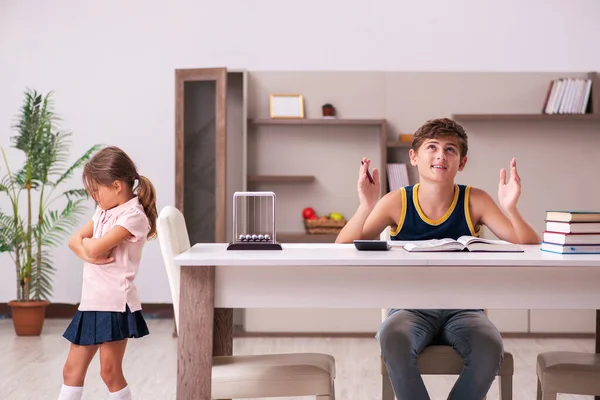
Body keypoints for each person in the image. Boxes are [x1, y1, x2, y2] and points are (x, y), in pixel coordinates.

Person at [335, 118, 540, 400]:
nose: (441, 155)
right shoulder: (397, 201)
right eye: (432, 147)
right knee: (391, 336)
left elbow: (529, 244)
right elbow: (342, 246)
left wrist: (510, 208)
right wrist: (365, 206)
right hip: (410, 309)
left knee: (490, 346)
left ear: (462, 162)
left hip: (465, 311)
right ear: (414, 157)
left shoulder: (475, 200)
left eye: (450, 150)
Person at [58, 146, 158, 400]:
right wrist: (88, 252)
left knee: (109, 372)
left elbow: (96, 245)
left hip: (114, 304)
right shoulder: (103, 211)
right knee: (71, 370)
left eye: (96, 190)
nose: (94, 196)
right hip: (91, 302)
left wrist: (90, 248)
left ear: (116, 186)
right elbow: (74, 241)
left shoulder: (133, 216)